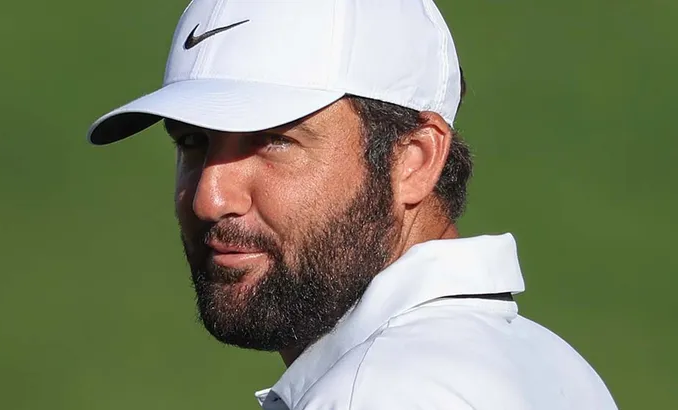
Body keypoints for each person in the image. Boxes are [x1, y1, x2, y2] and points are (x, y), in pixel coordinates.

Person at [87, 0, 618, 408]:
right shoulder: (554, 367)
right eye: (191, 141)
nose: (210, 198)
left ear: (413, 160)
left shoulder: (378, 393)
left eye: (274, 141)